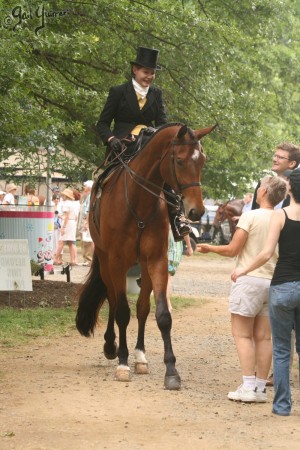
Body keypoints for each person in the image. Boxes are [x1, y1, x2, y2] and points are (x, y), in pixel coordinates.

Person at [197, 176, 287, 403]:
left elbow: (232, 249)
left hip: (249, 280)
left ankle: (247, 385)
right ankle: (259, 388)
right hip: (273, 282)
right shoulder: (282, 218)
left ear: (264, 191)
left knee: (243, 335)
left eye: (259, 187)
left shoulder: (250, 216)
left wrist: (209, 248)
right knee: (265, 338)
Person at [96, 45, 191, 242]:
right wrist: (111, 139)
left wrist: (159, 133)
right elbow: (102, 123)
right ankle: (98, 211)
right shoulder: (118, 91)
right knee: (103, 179)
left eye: (152, 73)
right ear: (135, 70)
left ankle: (178, 218)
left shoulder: (156, 94)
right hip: (122, 146)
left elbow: (163, 123)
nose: (149, 76)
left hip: (148, 143)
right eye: (146, 72)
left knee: (167, 175)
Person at [231, 168, 300, 416]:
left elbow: (266, 253)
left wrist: (243, 270)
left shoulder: (280, 215)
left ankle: (280, 404)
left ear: (291, 189)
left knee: (281, 349)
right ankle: (262, 389)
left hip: (281, 285)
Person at [252, 142, 300, 210]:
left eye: (280, 157)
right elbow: (254, 210)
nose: (274, 160)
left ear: (292, 164)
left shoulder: (297, 189)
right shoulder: (262, 184)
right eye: (275, 156)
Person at [167, 232, 193, 312]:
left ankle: (167, 305)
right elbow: (184, 228)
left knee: (164, 279)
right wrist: (189, 247)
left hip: (171, 249)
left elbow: (184, 228)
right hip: (172, 250)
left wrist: (189, 247)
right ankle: (167, 305)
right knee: (165, 279)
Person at [54, 188, 78, 266]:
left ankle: (55, 258)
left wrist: (63, 227)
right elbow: (74, 216)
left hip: (67, 223)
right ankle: (73, 260)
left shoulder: (66, 204)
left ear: (65, 196)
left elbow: (67, 216)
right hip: (72, 222)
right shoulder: (73, 204)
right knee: (71, 242)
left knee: (61, 241)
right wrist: (63, 217)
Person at [78, 180, 94, 266]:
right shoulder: (86, 196)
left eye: (85, 186)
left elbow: (88, 210)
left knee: (90, 241)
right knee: (86, 240)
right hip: (84, 219)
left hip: (86, 220)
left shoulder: (90, 196)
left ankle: (91, 259)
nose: (83, 188)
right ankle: (88, 259)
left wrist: (87, 223)